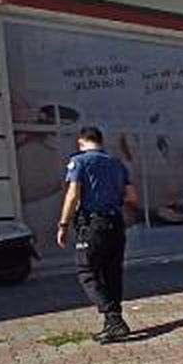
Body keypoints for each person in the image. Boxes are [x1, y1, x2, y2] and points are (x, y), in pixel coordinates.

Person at [57, 126, 138, 344]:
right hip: (115, 223)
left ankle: (113, 318)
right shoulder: (117, 163)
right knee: (112, 274)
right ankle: (113, 323)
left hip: (93, 225)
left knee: (86, 271)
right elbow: (131, 197)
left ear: (81, 142)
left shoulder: (79, 161)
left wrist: (63, 224)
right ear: (101, 141)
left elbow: (73, 195)